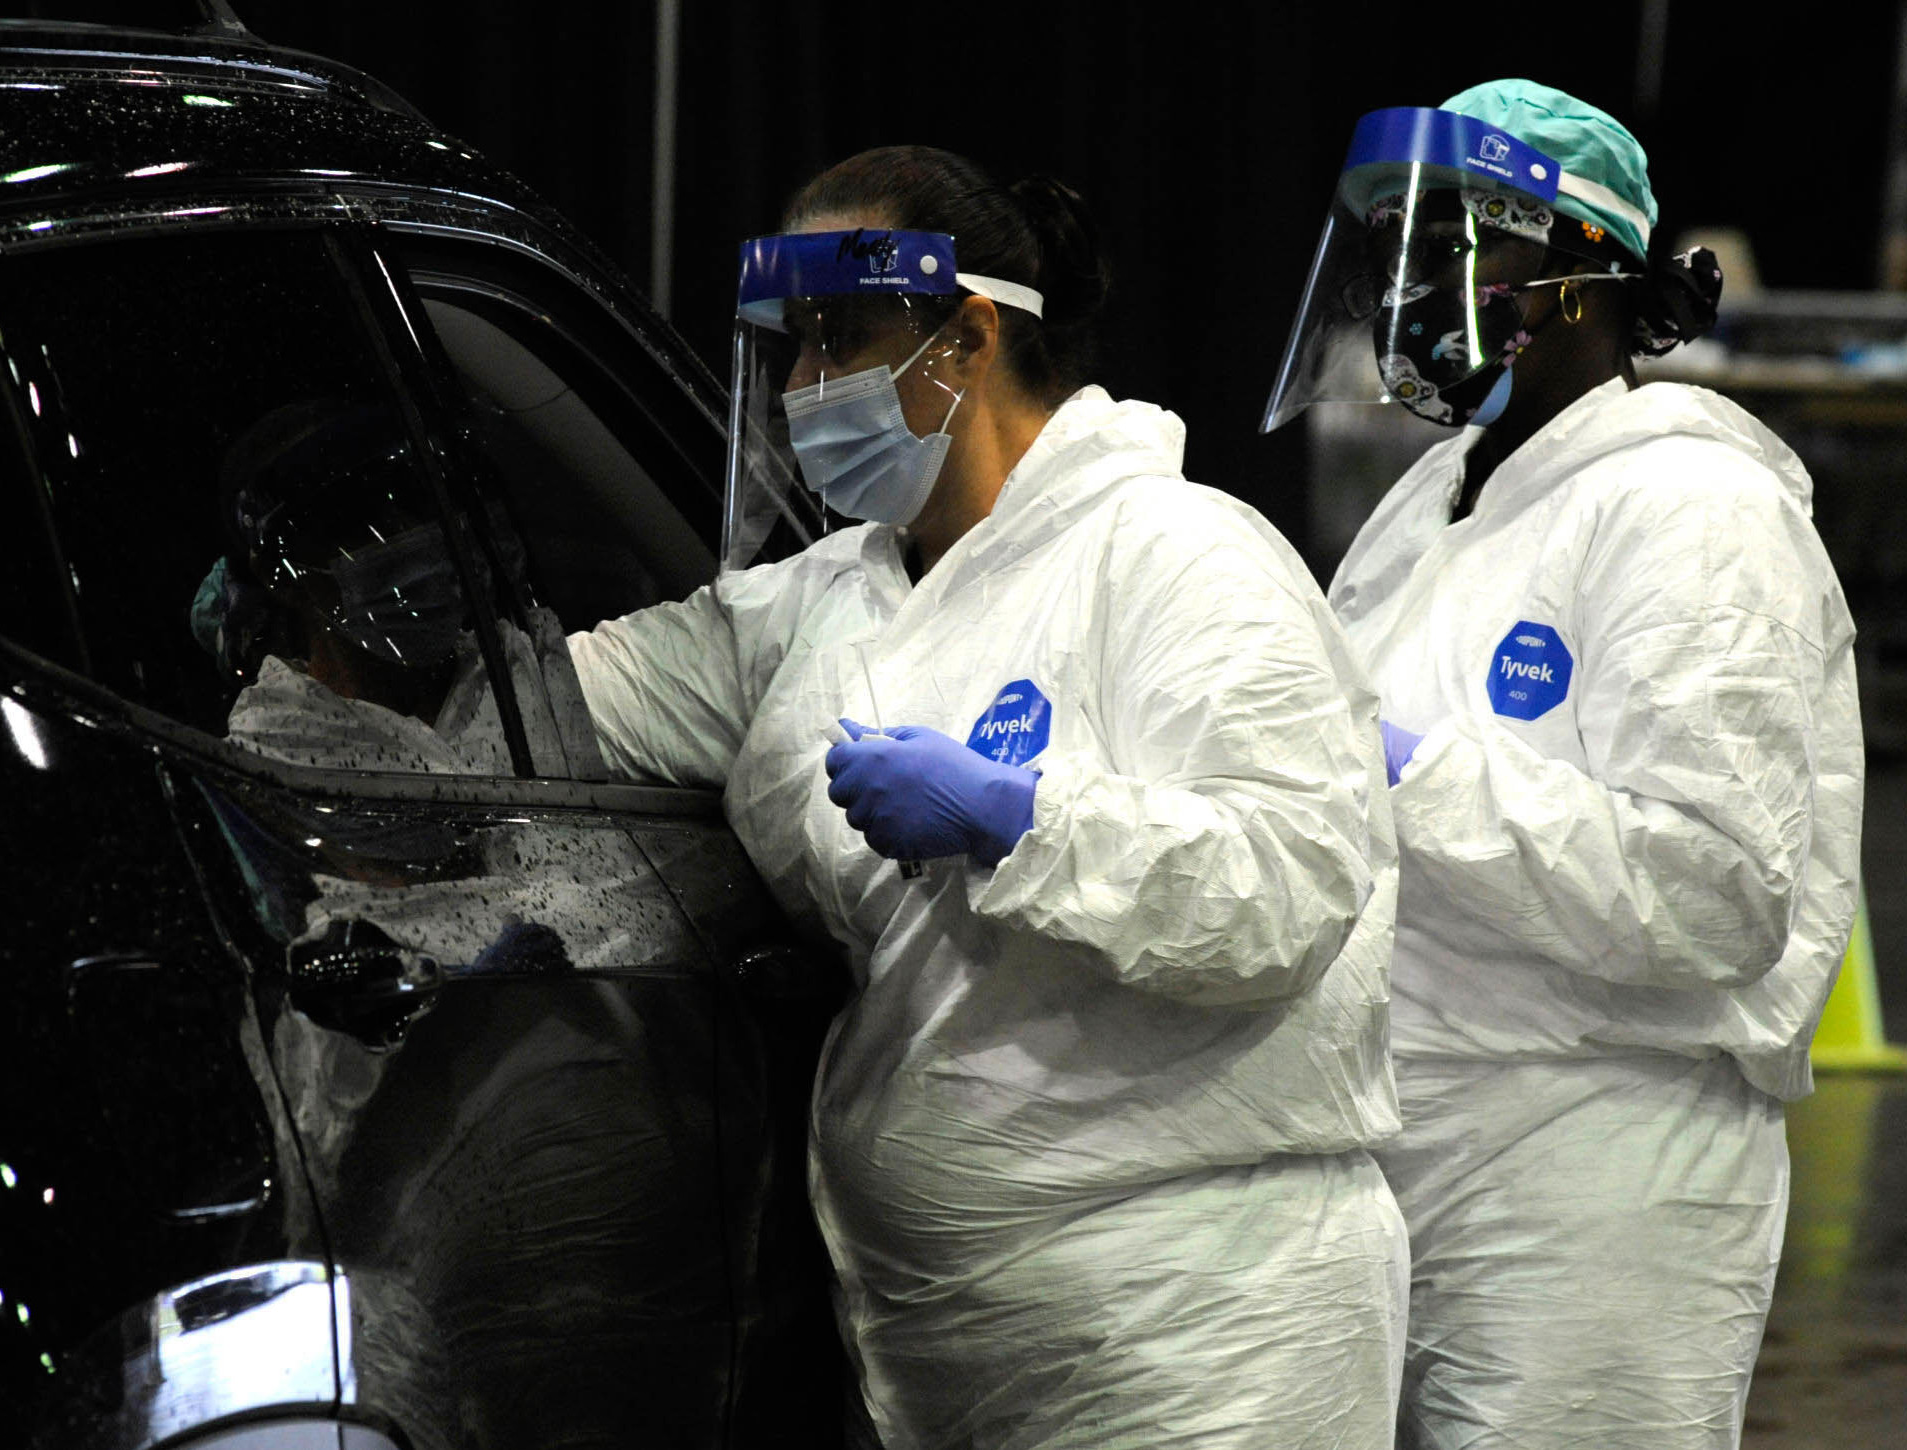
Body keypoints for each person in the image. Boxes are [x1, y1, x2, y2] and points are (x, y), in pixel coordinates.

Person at [570, 145, 1408, 1447]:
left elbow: (1288, 885)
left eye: (840, 339)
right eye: (790, 349)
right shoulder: (818, 603)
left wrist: (1027, 823)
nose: (803, 388)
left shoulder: (1178, 557)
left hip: (1202, 1330)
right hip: (948, 1350)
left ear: (965, 338)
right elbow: (556, 709)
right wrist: (320, 649)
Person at [1266, 79, 1864, 1449]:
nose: (1420, 291)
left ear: (1588, 279)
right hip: (1404, 1126)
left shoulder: (1694, 513)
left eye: (1464, 252)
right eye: (1405, 253)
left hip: (1599, 1164)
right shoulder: (1436, 497)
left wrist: (1403, 776)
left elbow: (1710, 890)